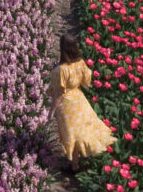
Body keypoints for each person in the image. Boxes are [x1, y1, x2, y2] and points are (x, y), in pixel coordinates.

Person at [47, 33, 116, 171]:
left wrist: (51, 112)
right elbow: (86, 82)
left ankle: (74, 167)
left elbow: (58, 93)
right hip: (79, 100)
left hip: (66, 105)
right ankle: (83, 158)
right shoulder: (80, 63)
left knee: (72, 135)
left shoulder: (60, 70)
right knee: (83, 130)